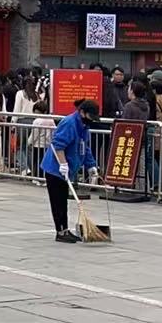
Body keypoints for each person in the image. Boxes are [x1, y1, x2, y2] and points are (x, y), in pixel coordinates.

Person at [42, 99, 99, 242]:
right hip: (55, 169)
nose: (91, 120)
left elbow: (84, 147)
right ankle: (60, 232)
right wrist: (63, 164)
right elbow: (58, 145)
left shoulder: (83, 126)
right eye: (90, 116)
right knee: (58, 201)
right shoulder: (69, 123)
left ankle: (65, 229)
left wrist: (91, 165)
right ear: (82, 112)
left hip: (68, 169)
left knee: (63, 201)